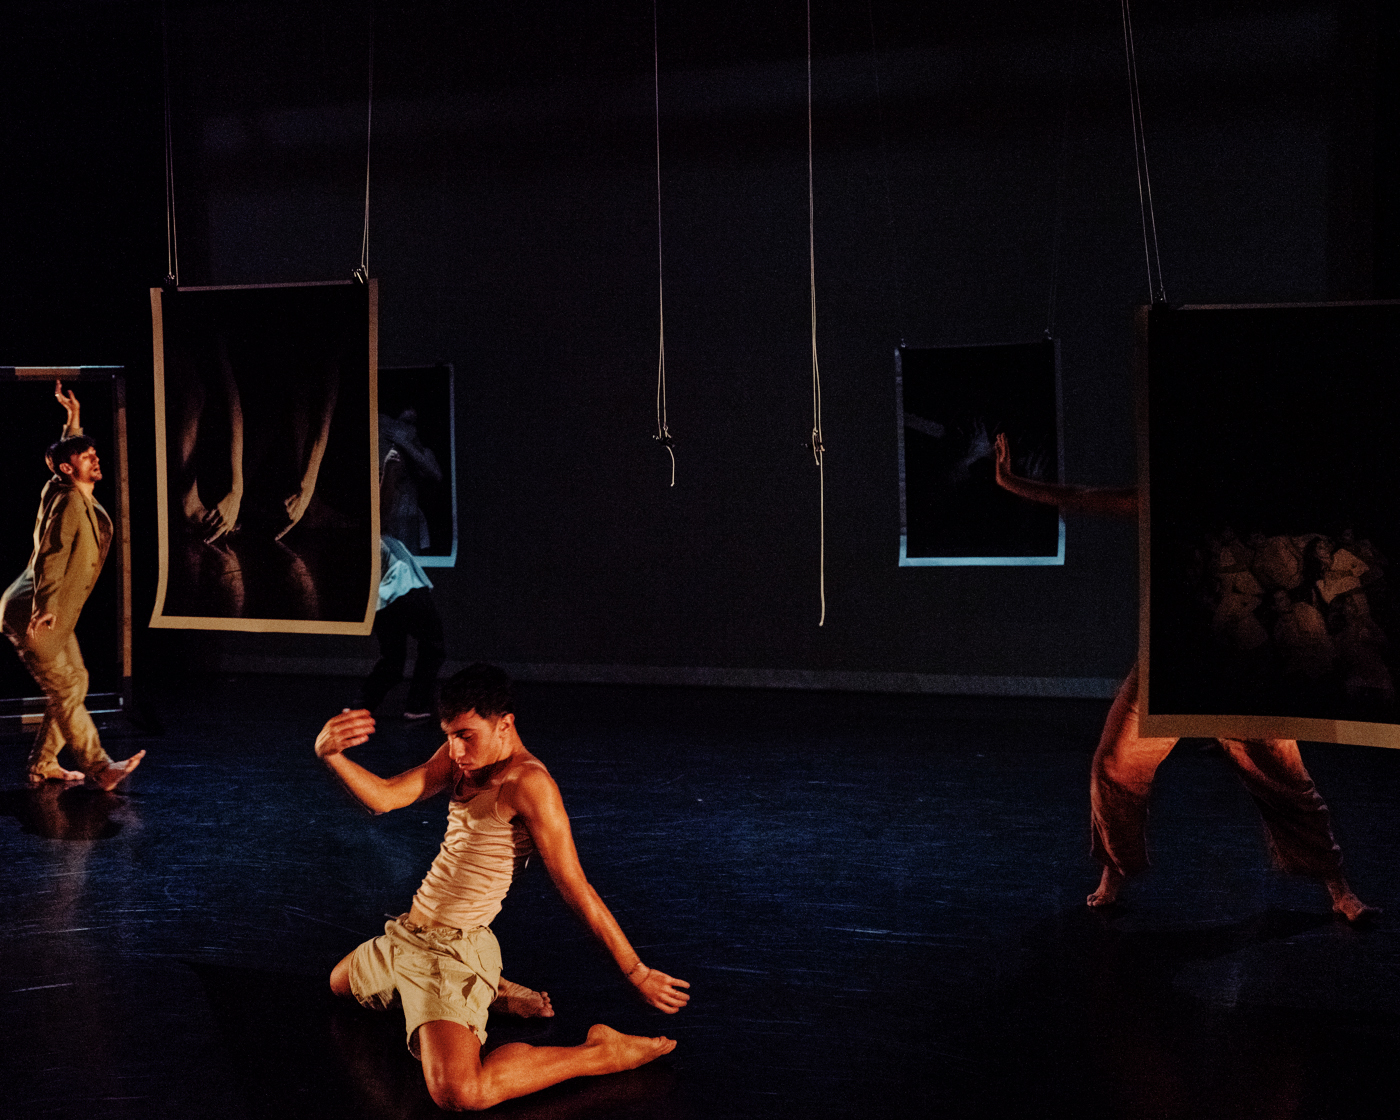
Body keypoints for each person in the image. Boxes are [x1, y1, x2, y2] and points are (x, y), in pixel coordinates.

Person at [993, 433, 1376, 922]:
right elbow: (1082, 497)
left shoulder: (1265, 515)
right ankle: (1114, 871)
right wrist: (1010, 481)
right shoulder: (1170, 501)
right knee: (1115, 765)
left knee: (1285, 778)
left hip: (1241, 669)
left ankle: (1337, 886)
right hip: (1173, 664)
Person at [315, 663, 688, 1111]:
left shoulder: (528, 784)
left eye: (466, 736)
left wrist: (636, 971)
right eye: (450, 735)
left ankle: (600, 1052)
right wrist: (333, 756)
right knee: (339, 984)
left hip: (454, 951)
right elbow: (386, 797)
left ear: (505, 724)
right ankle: (494, 990)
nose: (456, 750)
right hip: (410, 935)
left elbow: (576, 888)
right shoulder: (460, 757)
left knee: (460, 1093)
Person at [1, 381, 145, 788]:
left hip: (50, 609)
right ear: (68, 468)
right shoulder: (67, 503)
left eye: (94, 453)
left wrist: (73, 419)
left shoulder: (62, 486)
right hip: (34, 611)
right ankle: (100, 767)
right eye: (87, 456)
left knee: (76, 681)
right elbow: (51, 554)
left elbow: (63, 456)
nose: (95, 459)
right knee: (66, 687)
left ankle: (43, 764)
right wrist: (45, 606)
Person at [359, 531, 445, 721]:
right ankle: (415, 704)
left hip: (387, 600)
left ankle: (364, 705)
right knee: (431, 648)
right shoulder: (378, 540)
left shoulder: (382, 540)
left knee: (394, 659)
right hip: (404, 595)